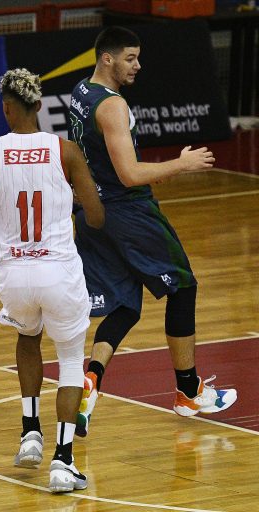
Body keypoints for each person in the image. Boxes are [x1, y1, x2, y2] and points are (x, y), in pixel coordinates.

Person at [68, 26, 237, 437]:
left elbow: (92, 158)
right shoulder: (112, 106)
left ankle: (91, 379)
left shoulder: (80, 92)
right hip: (128, 213)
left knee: (125, 303)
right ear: (107, 58)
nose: (138, 65)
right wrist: (182, 164)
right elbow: (129, 174)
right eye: (130, 58)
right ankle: (188, 391)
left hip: (90, 212)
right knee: (183, 286)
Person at [0, 69, 104, 492]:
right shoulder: (66, 151)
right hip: (58, 271)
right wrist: (69, 202)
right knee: (71, 361)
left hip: (13, 274)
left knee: (27, 337)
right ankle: (63, 462)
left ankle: (30, 434)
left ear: (6, 108)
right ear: (39, 106)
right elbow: (96, 217)